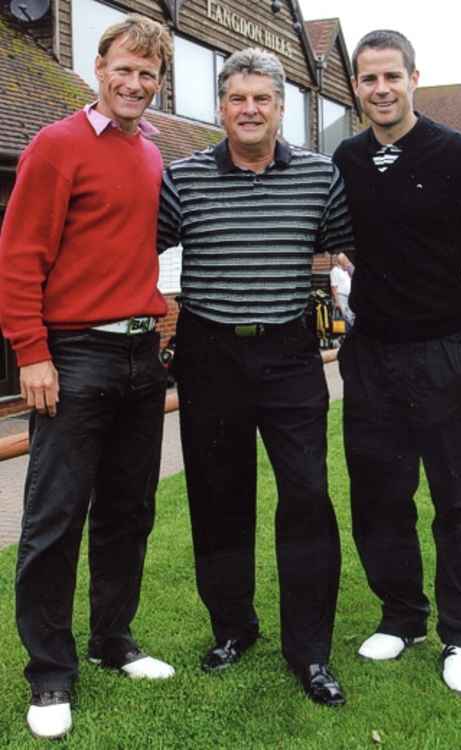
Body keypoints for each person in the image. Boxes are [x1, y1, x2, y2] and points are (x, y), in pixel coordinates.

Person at [158, 47, 352, 707]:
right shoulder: (180, 178)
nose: (248, 110)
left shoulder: (320, 176)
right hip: (209, 354)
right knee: (218, 499)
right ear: (221, 107)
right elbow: (132, 249)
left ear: (280, 107)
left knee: (305, 498)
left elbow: (348, 247)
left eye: (260, 99)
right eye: (237, 98)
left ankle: (311, 651)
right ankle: (233, 627)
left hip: (289, 353)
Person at [0, 15, 174, 740]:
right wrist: (31, 350)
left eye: (148, 75)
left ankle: (112, 641)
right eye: (123, 69)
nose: (134, 84)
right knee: (53, 519)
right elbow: (18, 253)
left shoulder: (153, 155)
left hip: (140, 357)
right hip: (75, 356)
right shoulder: (57, 143)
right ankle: (49, 675)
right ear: (97, 67)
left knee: (129, 512)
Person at [333, 29, 461, 695]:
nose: (380, 89)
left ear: (413, 78)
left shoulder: (460, 154)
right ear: (355, 87)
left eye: (391, 77)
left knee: (460, 503)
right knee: (380, 498)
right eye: (368, 79)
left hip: (444, 353)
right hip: (371, 356)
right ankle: (400, 616)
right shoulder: (344, 158)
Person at [330, 253, 354, 328]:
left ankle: (348, 333)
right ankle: (343, 335)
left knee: (350, 316)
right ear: (340, 261)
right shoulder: (335, 270)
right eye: (345, 259)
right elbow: (333, 287)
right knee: (345, 318)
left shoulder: (346, 270)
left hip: (348, 296)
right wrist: (337, 301)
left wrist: (349, 265)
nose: (347, 261)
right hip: (341, 297)